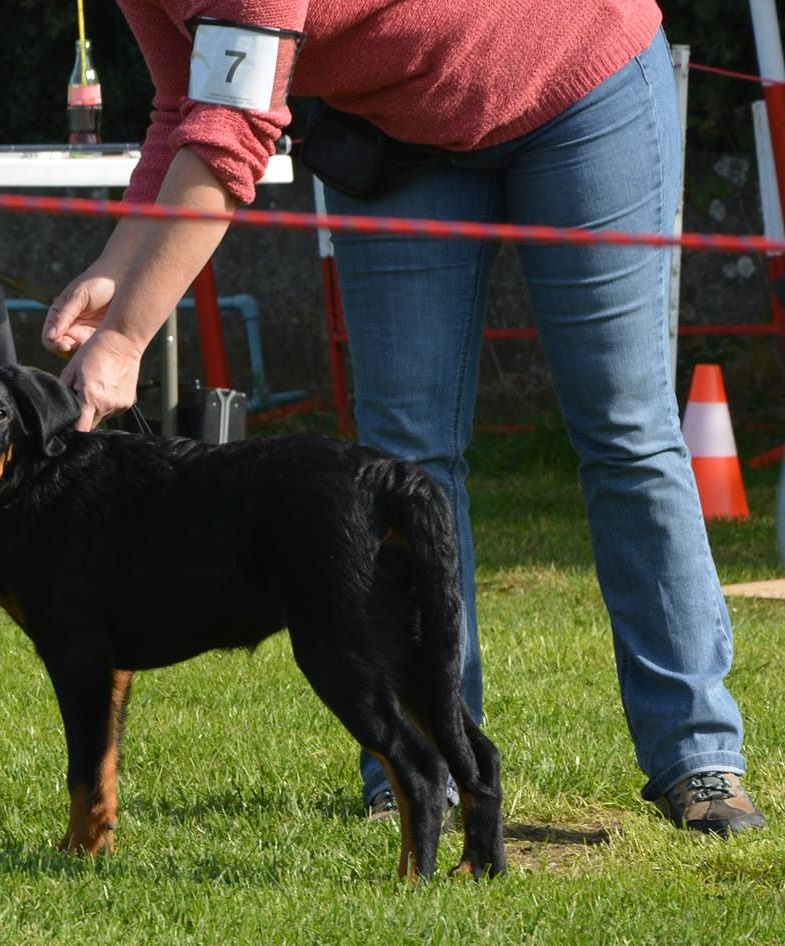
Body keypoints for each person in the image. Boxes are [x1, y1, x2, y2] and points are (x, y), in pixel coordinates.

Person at [42, 0, 766, 836]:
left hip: (577, 76)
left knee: (626, 434)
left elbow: (230, 136)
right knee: (400, 462)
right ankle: (419, 763)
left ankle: (698, 756)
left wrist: (130, 333)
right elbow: (186, 112)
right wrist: (115, 268)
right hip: (394, 133)